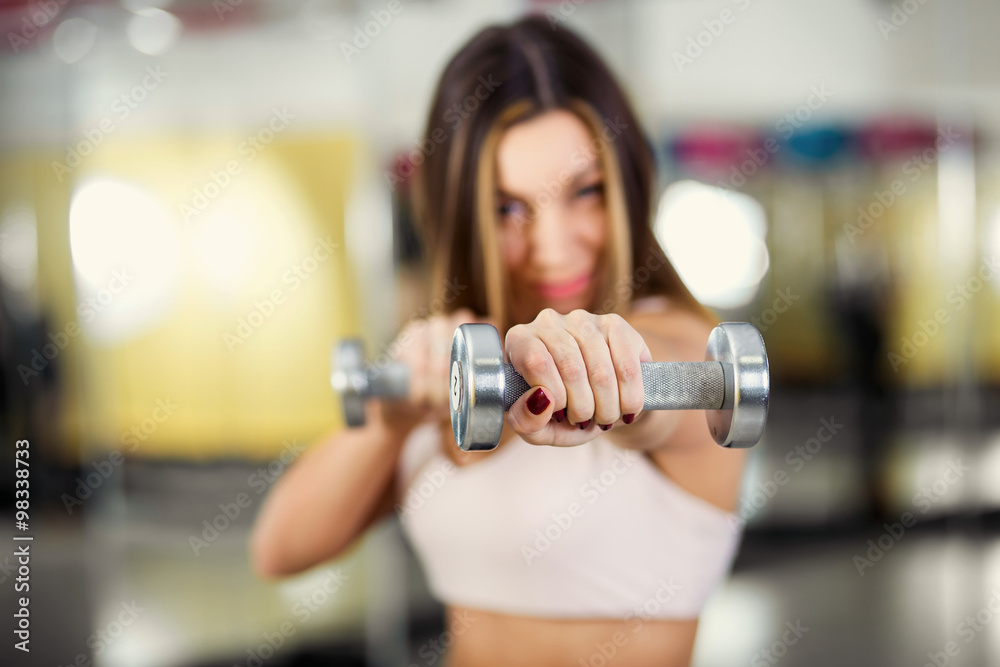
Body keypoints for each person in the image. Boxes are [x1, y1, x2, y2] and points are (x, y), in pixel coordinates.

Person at [251, 15, 747, 667]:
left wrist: (585, 356)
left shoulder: (688, 351)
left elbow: (651, 372)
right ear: (461, 214)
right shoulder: (446, 358)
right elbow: (280, 549)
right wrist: (391, 418)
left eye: (586, 192)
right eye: (508, 208)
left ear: (626, 185)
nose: (554, 246)